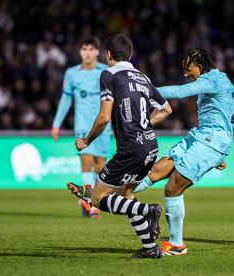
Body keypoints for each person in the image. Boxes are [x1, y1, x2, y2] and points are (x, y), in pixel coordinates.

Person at [67, 34, 172, 258]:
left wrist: (86, 141)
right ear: (130, 54)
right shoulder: (143, 77)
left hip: (131, 148)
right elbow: (166, 109)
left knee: (97, 198)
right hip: (150, 146)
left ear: (108, 55)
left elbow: (104, 117)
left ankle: (148, 210)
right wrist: (144, 124)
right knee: (126, 194)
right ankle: (150, 248)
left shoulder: (108, 74)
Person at [133, 48, 234, 256]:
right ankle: (108, 195)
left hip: (211, 140)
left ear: (199, 67)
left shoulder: (213, 80)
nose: (185, 74)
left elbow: (180, 92)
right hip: (201, 137)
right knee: (155, 172)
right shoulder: (217, 80)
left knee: (172, 188)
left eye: (187, 69)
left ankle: (177, 245)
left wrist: (142, 90)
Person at [51, 37, 110, 219]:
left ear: (97, 52)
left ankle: (95, 199)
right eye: (84, 48)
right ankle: (88, 205)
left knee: (100, 166)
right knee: (86, 161)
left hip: (103, 125)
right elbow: (66, 98)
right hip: (82, 126)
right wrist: (56, 124)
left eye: (91, 49)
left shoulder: (106, 72)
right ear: (80, 52)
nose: (87, 52)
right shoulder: (72, 73)